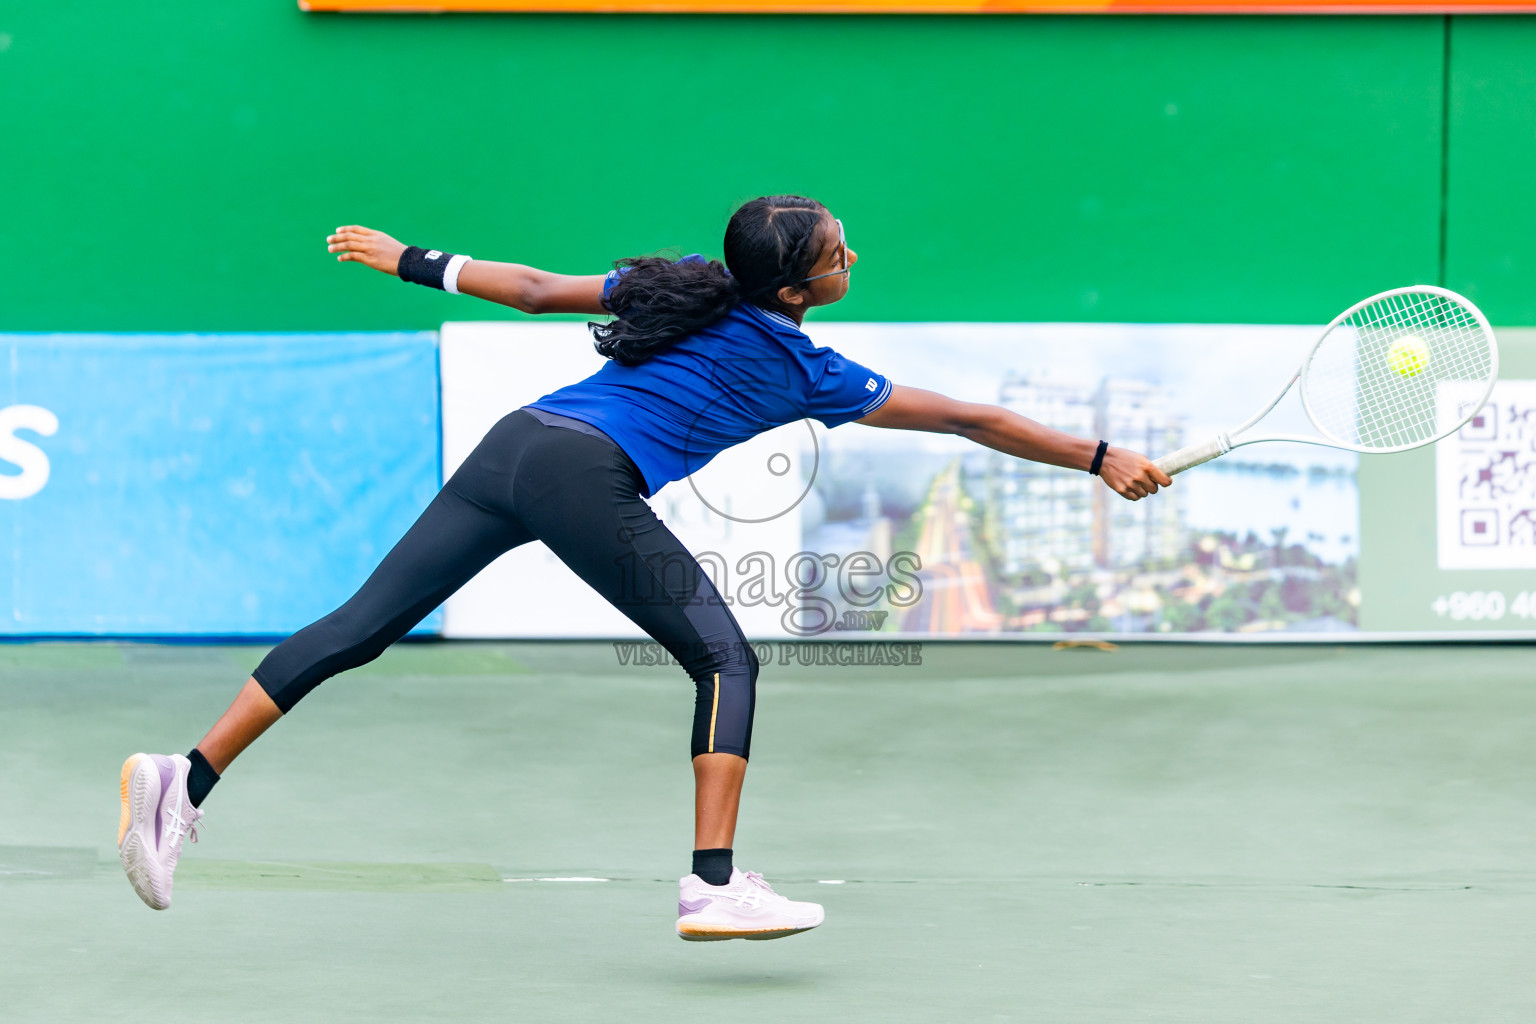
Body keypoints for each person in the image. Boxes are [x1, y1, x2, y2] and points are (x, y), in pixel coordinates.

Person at [116, 195, 1170, 940]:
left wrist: (412, 260)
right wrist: (1095, 455)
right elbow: (973, 417)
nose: (856, 259)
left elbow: (531, 289)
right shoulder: (808, 364)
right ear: (802, 281)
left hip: (515, 444)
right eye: (843, 252)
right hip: (587, 476)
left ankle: (185, 775)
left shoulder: (683, 285)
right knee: (726, 661)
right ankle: (713, 884)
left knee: (359, 624)